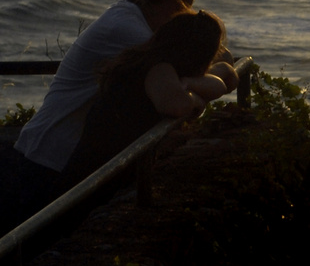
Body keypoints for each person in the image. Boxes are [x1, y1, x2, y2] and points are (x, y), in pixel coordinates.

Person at [15, 0, 235, 173]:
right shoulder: (129, 32)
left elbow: (216, 58)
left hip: (77, 150)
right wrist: (214, 78)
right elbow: (176, 89)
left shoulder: (143, 15)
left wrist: (211, 73)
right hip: (52, 155)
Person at [60, 10, 231, 188]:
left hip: (99, 166)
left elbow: (225, 79)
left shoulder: (146, 60)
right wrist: (196, 100)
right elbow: (177, 105)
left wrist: (189, 83)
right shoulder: (158, 69)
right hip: (98, 176)